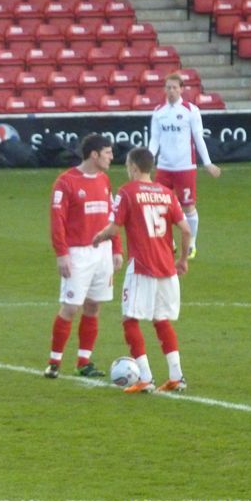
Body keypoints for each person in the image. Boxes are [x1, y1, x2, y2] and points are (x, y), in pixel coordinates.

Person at [93, 147, 191, 393]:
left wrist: (98, 237)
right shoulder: (167, 194)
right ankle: (177, 376)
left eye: (127, 166)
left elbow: (115, 229)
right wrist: (182, 259)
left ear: (134, 167)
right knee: (161, 320)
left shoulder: (127, 192)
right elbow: (186, 230)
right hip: (167, 268)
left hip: (142, 267)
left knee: (130, 319)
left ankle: (145, 377)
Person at [43, 134, 123, 379]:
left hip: (103, 253)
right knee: (70, 307)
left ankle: (84, 362)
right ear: (94, 154)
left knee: (93, 306)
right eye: (108, 153)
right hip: (77, 253)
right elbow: (57, 222)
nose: (112, 157)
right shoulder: (65, 182)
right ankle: (54, 362)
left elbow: (113, 216)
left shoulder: (104, 180)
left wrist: (117, 248)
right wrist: (62, 254)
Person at [147, 72, 220, 260]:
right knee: (158, 205)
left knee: (188, 207)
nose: (171, 91)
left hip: (185, 167)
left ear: (181, 89)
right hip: (164, 167)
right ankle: (167, 242)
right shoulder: (158, 112)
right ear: (164, 89)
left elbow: (198, 137)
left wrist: (208, 163)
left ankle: (191, 243)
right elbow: (155, 140)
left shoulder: (191, 110)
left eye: (174, 87)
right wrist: (147, 161)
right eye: (168, 87)